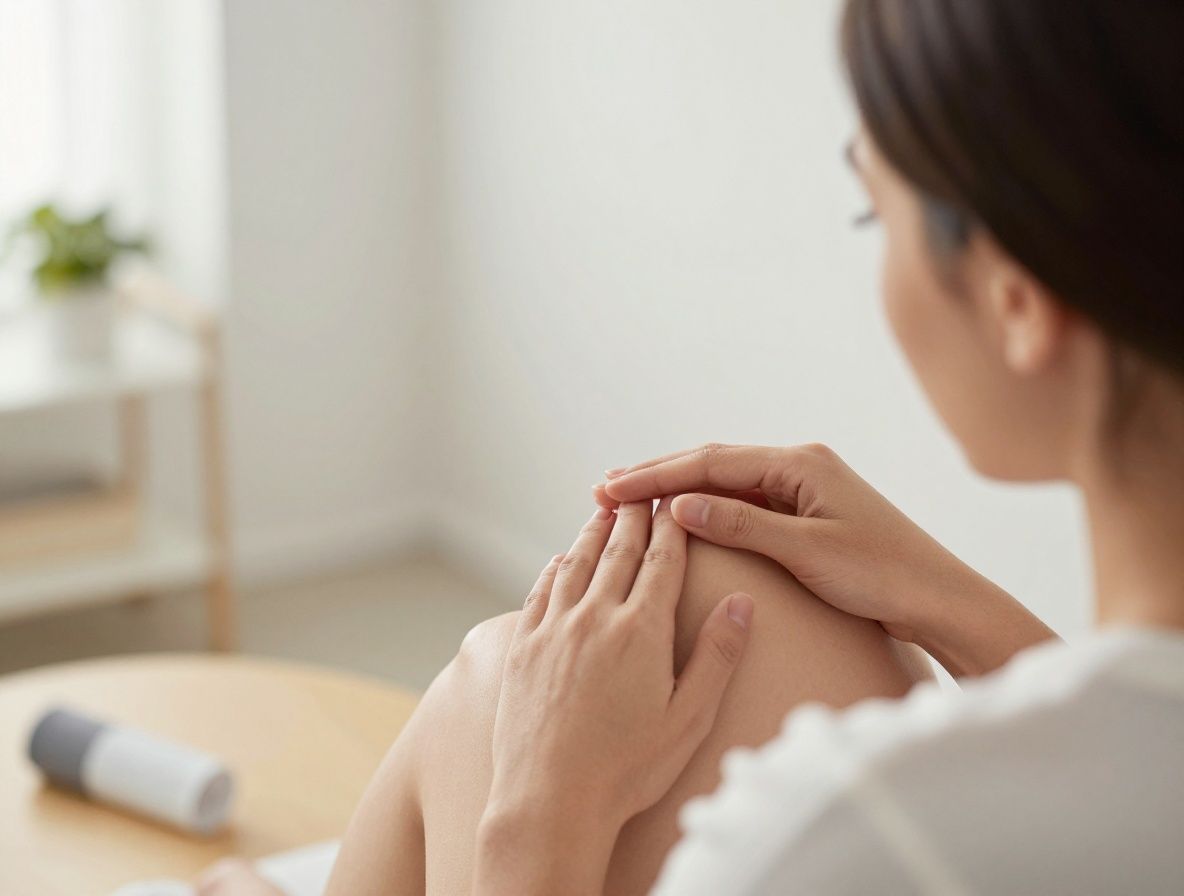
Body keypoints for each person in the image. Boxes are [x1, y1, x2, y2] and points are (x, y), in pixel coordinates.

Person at [203, 0, 1183, 893]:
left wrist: (538, 807)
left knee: (502, 678)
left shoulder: (841, 831)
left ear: (1015, 302)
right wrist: (946, 598)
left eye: (870, 211)